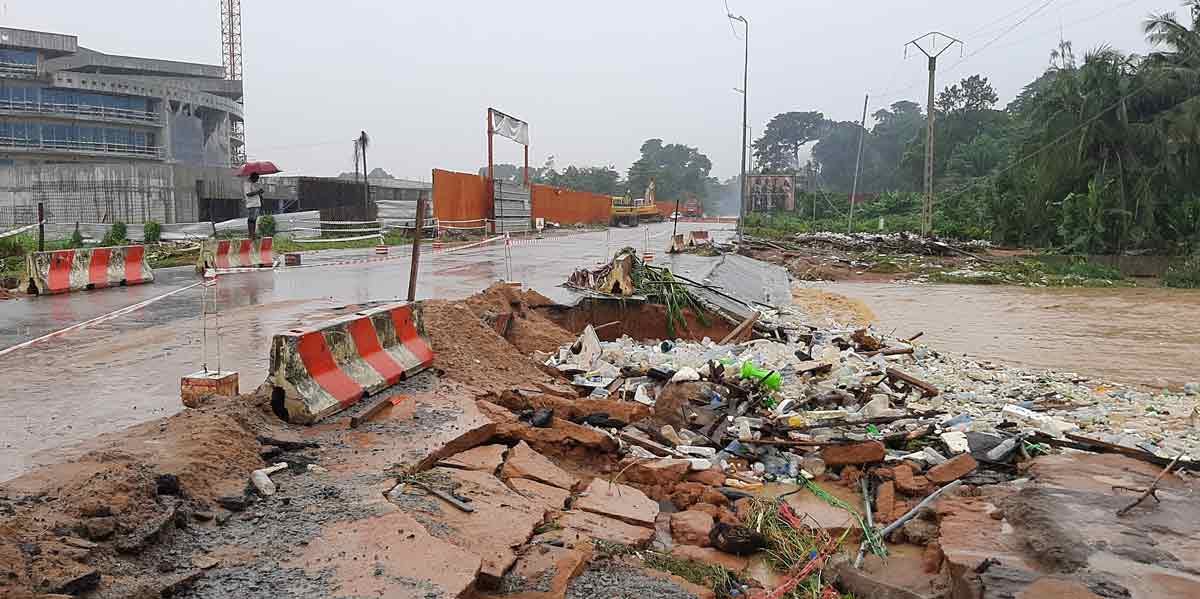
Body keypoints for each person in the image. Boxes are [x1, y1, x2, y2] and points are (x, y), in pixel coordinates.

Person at [243, 173, 265, 238]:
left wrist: (260, 193)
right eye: (256, 179)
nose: (256, 180)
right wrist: (258, 192)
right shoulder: (247, 184)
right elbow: (248, 194)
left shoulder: (254, 184)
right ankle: (251, 234)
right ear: (252, 178)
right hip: (251, 204)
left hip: (256, 204)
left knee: (254, 219)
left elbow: (256, 193)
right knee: (251, 219)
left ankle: (253, 233)